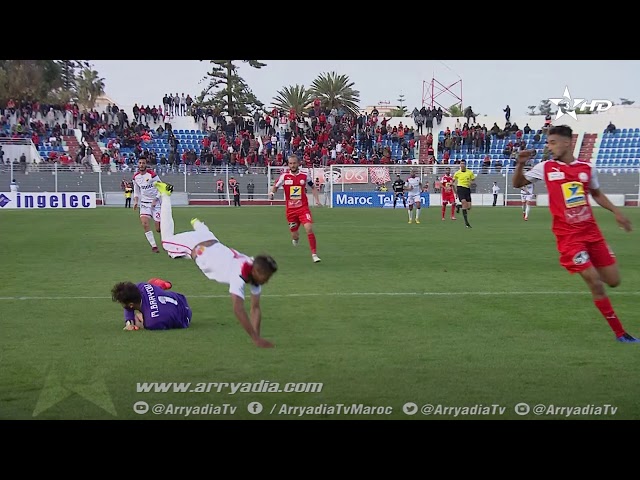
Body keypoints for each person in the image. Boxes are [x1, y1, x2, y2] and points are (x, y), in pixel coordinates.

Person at [512, 124, 637, 343]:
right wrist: (520, 164)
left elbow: (596, 194)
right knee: (595, 282)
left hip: (592, 233)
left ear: (567, 143)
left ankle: (593, 263)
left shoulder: (587, 168)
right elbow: (518, 183)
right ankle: (620, 333)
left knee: (614, 281)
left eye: (553, 142)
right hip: (569, 238)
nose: (549, 147)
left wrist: (616, 212)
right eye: (548, 143)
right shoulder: (546, 167)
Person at [154, 181, 277, 348]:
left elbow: (255, 308)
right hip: (196, 246)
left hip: (211, 241)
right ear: (256, 270)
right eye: (265, 277)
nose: (266, 280)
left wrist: (256, 335)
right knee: (167, 242)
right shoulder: (239, 274)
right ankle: (166, 195)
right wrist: (255, 338)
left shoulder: (254, 269)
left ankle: (198, 224)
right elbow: (238, 309)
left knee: (193, 244)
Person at [269, 154, 321, 263]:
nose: (292, 165)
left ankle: (314, 254)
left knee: (309, 228)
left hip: (303, 208)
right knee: (295, 235)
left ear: (298, 164)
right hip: (291, 211)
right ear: (288, 164)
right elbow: (276, 186)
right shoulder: (284, 176)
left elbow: (313, 187)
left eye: (294, 163)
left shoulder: (305, 176)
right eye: (290, 163)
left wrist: (317, 200)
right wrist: (272, 193)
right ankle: (295, 238)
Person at [111, 278, 193, 331]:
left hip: (185, 317)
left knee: (144, 317)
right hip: (179, 298)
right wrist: (129, 321)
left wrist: (139, 323)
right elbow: (129, 305)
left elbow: (147, 321)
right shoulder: (141, 286)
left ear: (131, 305)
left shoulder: (152, 323)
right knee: (151, 284)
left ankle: (161, 286)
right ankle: (161, 285)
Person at [132, 158, 161, 253]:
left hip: (156, 204)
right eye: (140, 163)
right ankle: (154, 246)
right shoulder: (135, 177)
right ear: (138, 164)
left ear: (146, 164)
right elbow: (136, 191)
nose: (141, 165)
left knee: (158, 229)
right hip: (144, 203)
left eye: (143, 163)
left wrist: (156, 199)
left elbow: (162, 188)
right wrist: (136, 201)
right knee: (144, 224)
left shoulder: (152, 175)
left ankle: (168, 241)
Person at [453, 160, 475, 228]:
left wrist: (470, 182)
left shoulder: (470, 172)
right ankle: (466, 223)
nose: (462, 165)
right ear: (460, 165)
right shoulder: (457, 173)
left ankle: (458, 206)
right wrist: (455, 190)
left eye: (463, 164)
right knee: (464, 203)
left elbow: (473, 179)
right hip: (460, 188)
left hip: (467, 189)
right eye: (461, 164)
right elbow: (453, 181)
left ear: (465, 165)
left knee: (468, 207)